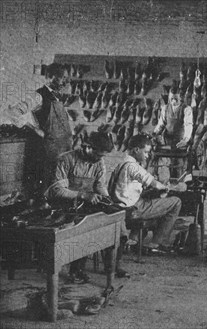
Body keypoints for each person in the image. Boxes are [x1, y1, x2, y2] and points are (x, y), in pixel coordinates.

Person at [45, 132, 129, 282]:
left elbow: (99, 186)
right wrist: (82, 195)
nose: (99, 159)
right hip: (64, 204)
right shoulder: (66, 159)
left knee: (117, 219)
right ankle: (76, 270)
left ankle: (112, 265)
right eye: (97, 155)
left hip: (86, 203)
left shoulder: (98, 162)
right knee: (85, 226)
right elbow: (57, 190)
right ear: (87, 147)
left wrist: (107, 199)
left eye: (102, 156)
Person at [109, 134, 182, 253]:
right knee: (175, 202)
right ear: (136, 150)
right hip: (131, 210)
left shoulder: (121, 162)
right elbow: (156, 184)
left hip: (118, 207)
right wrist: (167, 187)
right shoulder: (133, 166)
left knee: (151, 202)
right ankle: (156, 244)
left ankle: (134, 239)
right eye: (146, 152)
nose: (147, 156)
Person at [32, 63, 72, 190]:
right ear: (50, 76)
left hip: (61, 150)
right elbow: (14, 113)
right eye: (63, 78)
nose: (65, 82)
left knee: (58, 186)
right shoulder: (38, 95)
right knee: (46, 186)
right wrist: (36, 130)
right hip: (47, 151)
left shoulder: (57, 97)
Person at [152, 93, 193, 180]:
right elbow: (161, 123)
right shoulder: (165, 108)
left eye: (176, 99)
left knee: (179, 163)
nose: (173, 101)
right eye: (172, 99)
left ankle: (180, 182)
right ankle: (167, 182)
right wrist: (155, 133)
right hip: (168, 138)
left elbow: (188, 124)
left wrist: (185, 139)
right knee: (168, 162)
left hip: (180, 139)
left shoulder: (186, 109)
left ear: (180, 98)